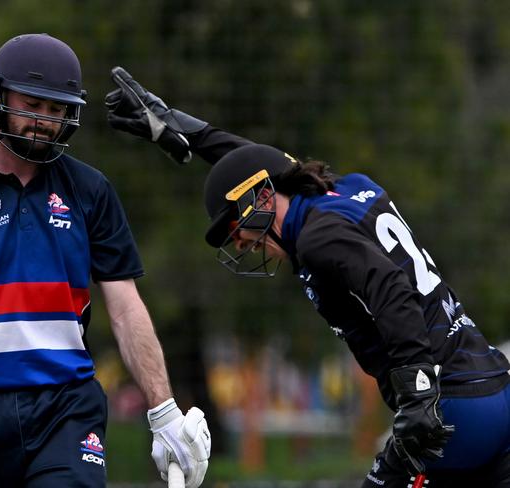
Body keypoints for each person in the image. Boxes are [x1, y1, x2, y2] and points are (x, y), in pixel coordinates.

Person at [105, 67, 510, 487]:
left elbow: (391, 288)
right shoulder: (345, 191)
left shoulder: (318, 238)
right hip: (497, 395)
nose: (242, 242)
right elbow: (268, 165)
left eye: (235, 227)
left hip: (451, 410)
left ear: (261, 199)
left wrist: (418, 391)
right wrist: (192, 131)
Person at [0, 35, 210, 488]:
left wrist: (164, 412)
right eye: (32, 105)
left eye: (56, 110)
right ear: (0, 99)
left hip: (67, 409)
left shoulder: (91, 191)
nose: (44, 121)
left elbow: (125, 307)